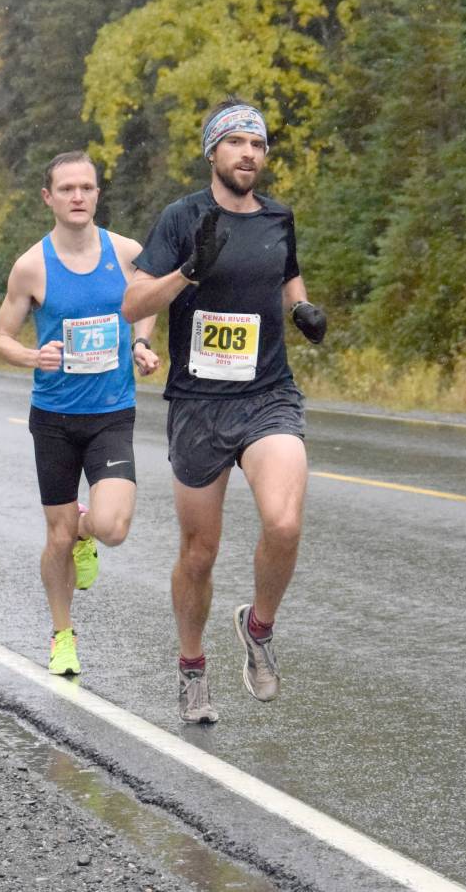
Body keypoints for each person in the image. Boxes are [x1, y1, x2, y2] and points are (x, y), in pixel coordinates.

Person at [121, 98, 326, 724]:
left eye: (258, 145)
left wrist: (300, 307)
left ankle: (258, 628)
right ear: (213, 151)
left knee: (284, 523)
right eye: (236, 142)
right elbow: (133, 303)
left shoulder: (278, 217)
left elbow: (287, 273)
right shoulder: (182, 218)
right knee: (199, 553)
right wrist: (188, 271)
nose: (249, 154)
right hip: (199, 405)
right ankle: (192, 667)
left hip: (268, 394)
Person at [0, 150, 160, 677]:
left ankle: (88, 534)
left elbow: (149, 300)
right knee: (57, 537)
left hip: (112, 412)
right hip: (55, 418)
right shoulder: (32, 266)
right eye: (66, 189)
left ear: (97, 194)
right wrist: (31, 356)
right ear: (49, 198)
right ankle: (63, 636)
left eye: (86, 187)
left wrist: (142, 343)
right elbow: (0, 339)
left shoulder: (127, 252)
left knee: (111, 527)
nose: (78, 196)